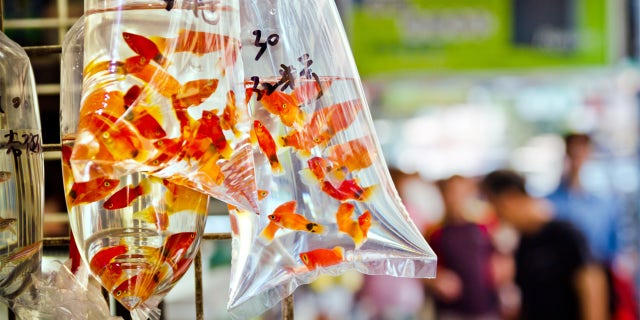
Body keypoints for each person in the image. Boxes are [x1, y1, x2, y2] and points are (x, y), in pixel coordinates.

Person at [480, 169, 609, 320]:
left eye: (495, 205)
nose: (495, 215)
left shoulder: (565, 234)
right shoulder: (523, 242)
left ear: (510, 198)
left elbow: (593, 291)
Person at [425, 175, 500, 320]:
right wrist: (437, 280)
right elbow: (422, 268)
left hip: (486, 306)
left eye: (463, 192)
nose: (458, 198)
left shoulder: (485, 226)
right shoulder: (435, 231)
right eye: (452, 192)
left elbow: (499, 259)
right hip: (452, 309)